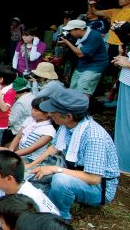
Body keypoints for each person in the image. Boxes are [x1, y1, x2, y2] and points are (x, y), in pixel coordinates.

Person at [28, 89, 119, 221]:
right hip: (75, 170)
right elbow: (54, 148)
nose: (48, 114)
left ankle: (59, 217)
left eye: (52, 112)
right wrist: (31, 166)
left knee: (61, 180)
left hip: (98, 188)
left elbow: (93, 179)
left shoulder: (94, 137)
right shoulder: (67, 125)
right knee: (34, 169)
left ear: (68, 116)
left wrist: (55, 169)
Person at [56, 19, 108, 97]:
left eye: (70, 30)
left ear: (80, 29)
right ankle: (72, 107)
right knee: (73, 88)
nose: (69, 32)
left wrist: (67, 42)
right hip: (82, 65)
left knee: (83, 90)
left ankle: (82, 108)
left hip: (95, 66)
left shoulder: (94, 36)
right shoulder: (78, 35)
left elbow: (81, 54)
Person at [6, 97, 55, 164]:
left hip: (31, 159)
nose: (32, 112)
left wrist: (11, 155)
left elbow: (31, 149)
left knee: (7, 162)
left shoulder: (49, 130)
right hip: (18, 153)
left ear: (47, 113)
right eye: (32, 109)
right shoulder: (29, 120)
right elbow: (17, 138)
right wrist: (10, 151)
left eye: (36, 110)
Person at [112, 47, 130, 174]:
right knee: (123, 125)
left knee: (127, 125)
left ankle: (125, 164)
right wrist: (121, 56)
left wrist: (128, 63)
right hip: (126, 82)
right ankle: (121, 161)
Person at [6, 77, 34, 141]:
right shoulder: (32, 95)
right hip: (29, 129)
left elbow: (11, 121)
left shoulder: (21, 102)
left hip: (17, 132)